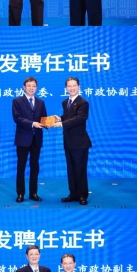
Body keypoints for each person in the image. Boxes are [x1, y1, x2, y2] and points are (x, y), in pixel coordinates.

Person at [51, 77, 92, 205]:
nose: (72, 88)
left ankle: (82, 195)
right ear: (66, 88)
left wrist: (62, 123)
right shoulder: (65, 102)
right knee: (71, 169)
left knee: (80, 169)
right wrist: (59, 118)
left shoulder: (83, 103)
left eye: (74, 85)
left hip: (80, 142)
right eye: (69, 86)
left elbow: (79, 118)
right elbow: (69, 117)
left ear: (79, 86)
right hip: (68, 141)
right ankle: (73, 193)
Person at [12, 77, 47, 203]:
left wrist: (50, 122)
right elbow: (17, 118)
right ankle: (20, 193)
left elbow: (43, 119)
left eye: (34, 86)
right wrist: (32, 123)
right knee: (21, 167)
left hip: (36, 139)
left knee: (35, 167)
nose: (31, 88)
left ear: (36, 88)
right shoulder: (17, 101)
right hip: (23, 139)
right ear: (24, 87)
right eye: (29, 86)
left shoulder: (41, 102)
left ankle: (33, 193)